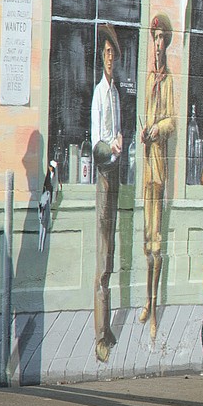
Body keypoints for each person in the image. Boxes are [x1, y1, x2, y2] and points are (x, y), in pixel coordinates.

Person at [139, 13, 176, 341]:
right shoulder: (149, 78)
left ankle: (154, 305)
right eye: (155, 39)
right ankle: (147, 303)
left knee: (158, 242)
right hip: (145, 168)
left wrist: (156, 129)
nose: (158, 44)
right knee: (146, 240)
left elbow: (172, 122)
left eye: (162, 39)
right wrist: (143, 132)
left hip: (160, 167)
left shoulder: (168, 80)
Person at [91, 23, 124, 362]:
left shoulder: (115, 93)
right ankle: (100, 335)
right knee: (102, 259)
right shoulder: (100, 93)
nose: (110, 58)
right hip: (103, 175)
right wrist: (111, 147)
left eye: (113, 53)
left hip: (114, 175)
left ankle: (107, 328)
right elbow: (96, 144)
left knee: (110, 254)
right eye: (106, 53)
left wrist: (119, 146)